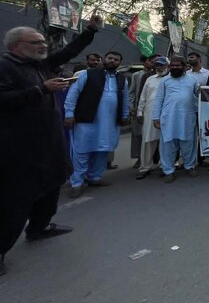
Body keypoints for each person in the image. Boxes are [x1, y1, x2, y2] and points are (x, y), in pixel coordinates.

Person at [0, 16, 102, 276]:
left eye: (43, 41)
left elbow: (69, 51)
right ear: (16, 46)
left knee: (52, 184)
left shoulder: (40, 64)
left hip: (49, 140)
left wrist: (90, 31)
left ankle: (39, 227)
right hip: (20, 146)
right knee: (16, 199)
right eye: (36, 42)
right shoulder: (5, 67)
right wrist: (41, 90)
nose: (43, 45)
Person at [64, 51, 130, 197]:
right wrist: (69, 114)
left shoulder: (122, 79)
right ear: (104, 59)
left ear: (119, 63)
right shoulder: (86, 75)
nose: (112, 61)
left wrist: (125, 115)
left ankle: (94, 177)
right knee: (82, 151)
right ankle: (77, 183)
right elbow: (73, 94)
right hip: (86, 120)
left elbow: (125, 99)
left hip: (110, 123)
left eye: (116, 59)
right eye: (110, 58)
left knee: (103, 150)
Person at [152, 56, 199, 183]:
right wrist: (156, 117)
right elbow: (158, 99)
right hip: (169, 117)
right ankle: (168, 171)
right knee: (168, 144)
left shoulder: (193, 79)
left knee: (188, 143)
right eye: (173, 65)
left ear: (184, 67)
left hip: (187, 117)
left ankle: (189, 166)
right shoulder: (165, 81)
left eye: (178, 65)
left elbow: (199, 95)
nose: (174, 67)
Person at [136, 56, 169, 179]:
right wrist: (139, 112)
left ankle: (164, 166)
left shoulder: (172, 79)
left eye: (162, 65)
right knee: (148, 141)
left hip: (166, 114)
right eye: (157, 65)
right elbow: (143, 97)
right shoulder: (150, 79)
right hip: (149, 114)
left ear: (167, 66)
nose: (160, 67)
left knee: (165, 141)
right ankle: (145, 167)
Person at [129, 54, 157, 169]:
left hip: (154, 110)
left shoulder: (164, 75)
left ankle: (154, 158)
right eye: (151, 61)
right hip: (140, 109)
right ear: (145, 62)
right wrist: (133, 108)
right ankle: (140, 158)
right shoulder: (138, 75)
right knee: (139, 134)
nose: (153, 64)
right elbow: (132, 92)